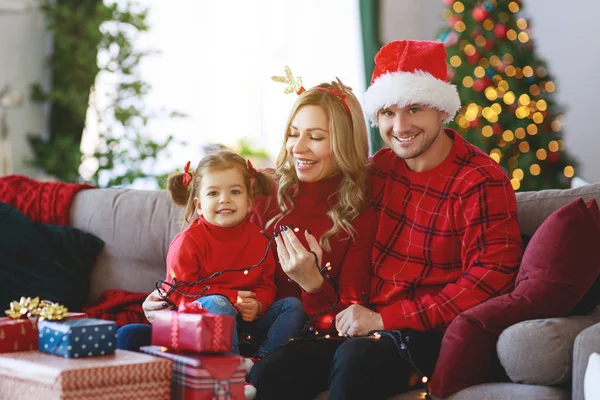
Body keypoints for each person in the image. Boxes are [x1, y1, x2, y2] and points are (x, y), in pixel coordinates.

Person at [249, 40, 523, 400]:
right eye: (388, 113)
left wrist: (386, 320)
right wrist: (259, 181)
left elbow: (490, 278)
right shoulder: (381, 169)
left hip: (431, 332)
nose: (400, 125)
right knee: (271, 372)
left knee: (356, 357)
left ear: (441, 110)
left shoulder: (479, 180)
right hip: (366, 328)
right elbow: (325, 175)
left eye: (413, 110)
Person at [138, 75, 377, 351]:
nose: (297, 148)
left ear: (344, 142)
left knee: (276, 357)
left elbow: (347, 320)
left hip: (297, 338)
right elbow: (202, 243)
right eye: (293, 133)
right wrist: (161, 301)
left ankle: (247, 370)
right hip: (218, 320)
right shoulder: (259, 188)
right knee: (133, 335)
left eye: (316, 137)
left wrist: (313, 283)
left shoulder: (359, 215)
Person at [117, 151, 307, 362]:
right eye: (213, 193)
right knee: (218, 304)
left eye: (235, 192)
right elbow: (178, 292)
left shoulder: (260, 240)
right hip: (197, 322)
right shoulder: (189, 241)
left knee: (292, 306)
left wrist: (259, 304)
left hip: (246, 322)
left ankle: (259, 363)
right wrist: (230, 297)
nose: (224, 199)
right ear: (199, 206)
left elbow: (266, 285)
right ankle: (228, 372)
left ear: (249, 202)